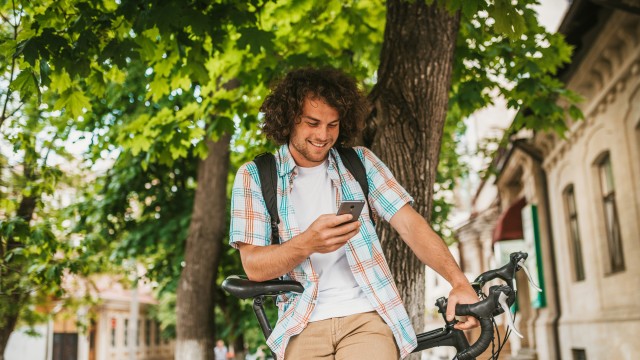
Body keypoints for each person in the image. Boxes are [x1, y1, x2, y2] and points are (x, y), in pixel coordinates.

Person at [229, 67, 479, 360]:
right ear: (289, 119)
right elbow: (254, 266)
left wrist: (459, 282)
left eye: (332, 125)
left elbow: (411, 225)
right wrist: (307, 243)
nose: (323, 135)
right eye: (313, 123)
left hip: (366, 317)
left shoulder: (360, 163)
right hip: (301, 324)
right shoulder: (255, 176)